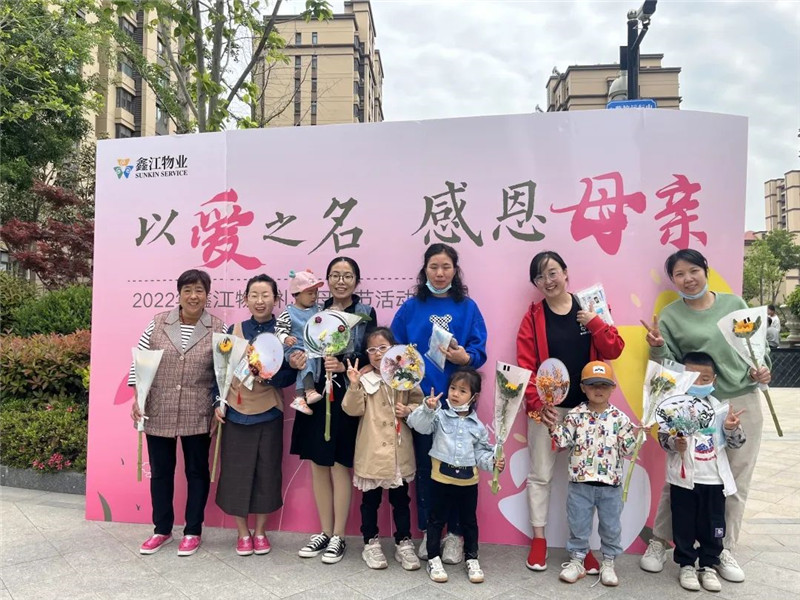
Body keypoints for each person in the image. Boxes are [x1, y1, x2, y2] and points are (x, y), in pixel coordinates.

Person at [640, 248, 771, 582]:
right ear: (673, 280)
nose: (688, 279)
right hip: (694, 403)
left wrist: (762, 369)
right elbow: (668, 365)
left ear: (705, 270)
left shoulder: (734, 304)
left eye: (693, 271)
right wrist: (657, 345)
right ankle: (660, 540)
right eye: (679, 274)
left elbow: (757, 347)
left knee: (735, 479)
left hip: (740, 398)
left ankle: (722, 548)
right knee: (680, 473)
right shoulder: (670, 316)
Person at [516, 251, 625, 572]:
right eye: (540, 277)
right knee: (540, 474)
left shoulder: (590, 306)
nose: (548, 281)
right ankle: (539, 540)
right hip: (548, 410)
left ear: (565, 273)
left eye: (552, 272)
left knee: (585, 480)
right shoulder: (533, 317)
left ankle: (581, 547)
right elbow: (526, 365)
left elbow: (615, 348)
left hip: (587, 413)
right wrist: (538, 404)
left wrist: (595, 323)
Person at [391, 243, 487, 563]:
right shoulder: (410, 308)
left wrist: (465, 357)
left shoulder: (468, 307)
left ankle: (456, 535)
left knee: (460, 471)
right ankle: (429, 532)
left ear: (455, 270)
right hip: (423, 405)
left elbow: (479, 352)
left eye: (446, 267)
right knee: (426, 470)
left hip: (459, 408)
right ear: (425, 270)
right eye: (434, 266)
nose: (440, 273)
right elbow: (394, 352)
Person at [129, 269, 225, 556]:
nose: (193, 296)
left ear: (207, 294)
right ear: (179, 293)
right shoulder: (158, 322)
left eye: (199, 290)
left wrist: (218, 405)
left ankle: (193, 531)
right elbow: (139, 362)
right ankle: (162, 529)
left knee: (197, 471)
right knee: (161, 472)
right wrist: (138, 398)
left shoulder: (218, 327)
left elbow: (223, 373)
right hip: (159, 408)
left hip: (198, 410)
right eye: (188, 290)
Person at [290, 256, 376, 564]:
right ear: (326, 280)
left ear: (356, 281)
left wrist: (344, 365)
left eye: (347, 275)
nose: (341, 281)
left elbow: (372, 355)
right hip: (315, 394)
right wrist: (295, 358)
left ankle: (339, 535)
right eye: (335, 275)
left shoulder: (365, 313)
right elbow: (300, 346)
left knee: (340, 464)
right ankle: (324, 532)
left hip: (345, 396)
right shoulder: (315, 311)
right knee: (318, 464)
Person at [213, 274, 304, 556]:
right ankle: (242, 532)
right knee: (235, 473)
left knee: (267, 472)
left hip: (269, 411)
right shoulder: (235, 330)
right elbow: (221, 370)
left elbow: (290, 376)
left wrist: (269, 376)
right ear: (246, 299)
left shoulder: (285, 333)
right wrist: (218, 401)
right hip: (235, 411)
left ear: (276, 299)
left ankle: (261, 531)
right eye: (254, 295)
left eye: (266, 295)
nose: (260, 300)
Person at [657, 352, 746, 592]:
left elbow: (736, 443)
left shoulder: (720, 408)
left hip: (714, 481)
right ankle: (686, 565)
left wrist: (732, 429)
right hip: (684, 480)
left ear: (714, 380)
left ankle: (708, 565)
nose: (698, 383)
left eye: (705, 379)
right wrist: (675, 443)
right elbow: (663, 439)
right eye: (692, 378)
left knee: (713, 525)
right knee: (683, 524)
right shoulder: (673, 408)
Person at [407, 368, 505, 584]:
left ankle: (472, 558)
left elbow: (481, 454)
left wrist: (493, 462)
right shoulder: (439, 416)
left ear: (474, 397)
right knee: (435, 520)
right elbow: (417, 425)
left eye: (462, 390)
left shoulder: (478, 427)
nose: (455, 394)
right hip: (440, 480)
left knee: (469, 521)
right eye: (453, 388)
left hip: (468, 482)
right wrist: (427, 409)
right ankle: (433, 558)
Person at [545, 361, 637, 587]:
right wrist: (552, 426)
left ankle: (608, 562)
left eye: (604, 385)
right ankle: (577, 561)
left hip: (611, 485)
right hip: (581, 483)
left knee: (611, 526)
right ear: (583, 388)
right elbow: (562, 441)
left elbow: (628, 450)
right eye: (593, 384)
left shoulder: (620, 419)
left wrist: (637, 436)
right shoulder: (575, 415)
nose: (598, 389)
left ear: (612, 388)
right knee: (578, 523)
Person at [341, 327, 422, 571]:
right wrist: (354, 385)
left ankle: (404, 542)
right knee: (370, 501)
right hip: (372, 452)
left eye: (383, 348)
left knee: (401, 500)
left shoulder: (405, 376)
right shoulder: (364, 379)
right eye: (372, 349)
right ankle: (370, 542)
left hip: (398, 452)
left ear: (394, 349)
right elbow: (352, 409)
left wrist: (408, 410)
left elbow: (418, 402)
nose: (377, 353)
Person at [275, 269, 324, 415]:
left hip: (311, 346)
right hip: (293, 347)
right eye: (310, 293)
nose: (314, 296)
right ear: (296, 294)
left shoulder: (318, 309)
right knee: (305, 357)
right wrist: (285, 338)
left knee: (307, 359)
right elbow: (279, 330)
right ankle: (309, 390)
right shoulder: (288, 313)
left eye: (316, 293)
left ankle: (300, 398)